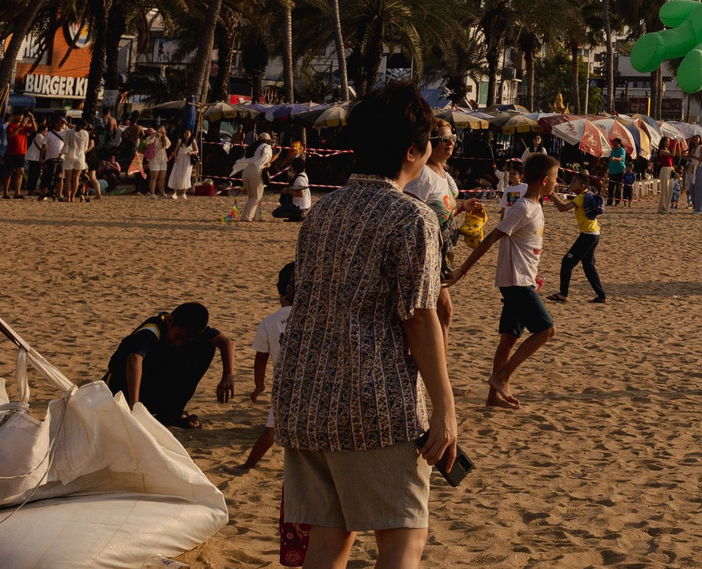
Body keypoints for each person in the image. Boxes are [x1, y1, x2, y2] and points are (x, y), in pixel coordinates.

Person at [272, 81, 458, 569]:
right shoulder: (412, 217)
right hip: (373, 404)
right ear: (414, 151)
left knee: (328, 544)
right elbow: (419, 317)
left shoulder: (322, 214)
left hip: (305, 397)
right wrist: (444, 406)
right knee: (402, 541)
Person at [448, 151, 561, 409]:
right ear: (544, 180)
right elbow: (490, 239)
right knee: (546, 330)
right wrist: (462, 270)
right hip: (516, 282)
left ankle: (492, 399)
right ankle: (501, 378)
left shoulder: (534, 206)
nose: (557, 183)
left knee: (509, 338)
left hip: (524, 279)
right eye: (555, 178)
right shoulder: (522, 207)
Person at [107, 302, 235, 429]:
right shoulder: (152, 329)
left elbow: (226, 342)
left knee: (207, 346)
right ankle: (138, 409)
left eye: (184, 340)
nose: (179, 343)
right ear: (169, 321)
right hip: (119, 387)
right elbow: (134, 359)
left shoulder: (191, 330)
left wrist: (228, 376)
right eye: (178, 337)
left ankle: (171, 413)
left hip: (154, 383)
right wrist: (134, 409)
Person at [243, 261, 296, 473]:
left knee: (272, 428)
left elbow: (261, 358)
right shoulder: (318, 317)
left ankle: (249, 464)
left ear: (278, 291)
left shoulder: (269, 322)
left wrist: (259, 386)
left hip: (286, 383)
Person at [554, 173, 608, 304]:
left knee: (567, 262)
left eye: (573, 182)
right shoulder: (586, 195)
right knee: (588, 266)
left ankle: (563, 294)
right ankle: (601, 296)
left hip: (588, 235)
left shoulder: (582, 197)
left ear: (582, 186)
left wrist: (553, 196)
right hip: (594, 234)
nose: (571, 184)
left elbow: (563, 208)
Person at [236, 129, 277, 223]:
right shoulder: (266, 147)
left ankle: (256, 216)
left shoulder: (252, 147)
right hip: (256, 171)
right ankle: (246, 217)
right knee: (256, 197)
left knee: (252, 196)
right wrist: (268, 164)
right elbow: (265, 161)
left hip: (246, 171)